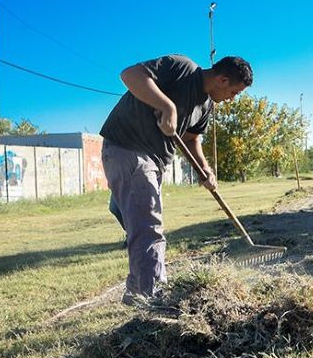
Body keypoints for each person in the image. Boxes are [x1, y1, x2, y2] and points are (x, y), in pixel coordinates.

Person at [100, 54, 252, 303]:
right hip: (129, 148)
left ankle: (137, 289)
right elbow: (130, 75)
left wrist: (205, 170)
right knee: (149, 226)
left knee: (137, 218)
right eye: (234, 93)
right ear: (223, 80)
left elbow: (192, 139)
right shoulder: (182, 68)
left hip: (154, 161)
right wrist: (166, 106)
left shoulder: (206, 106)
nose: (231, 99)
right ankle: (153, 296)